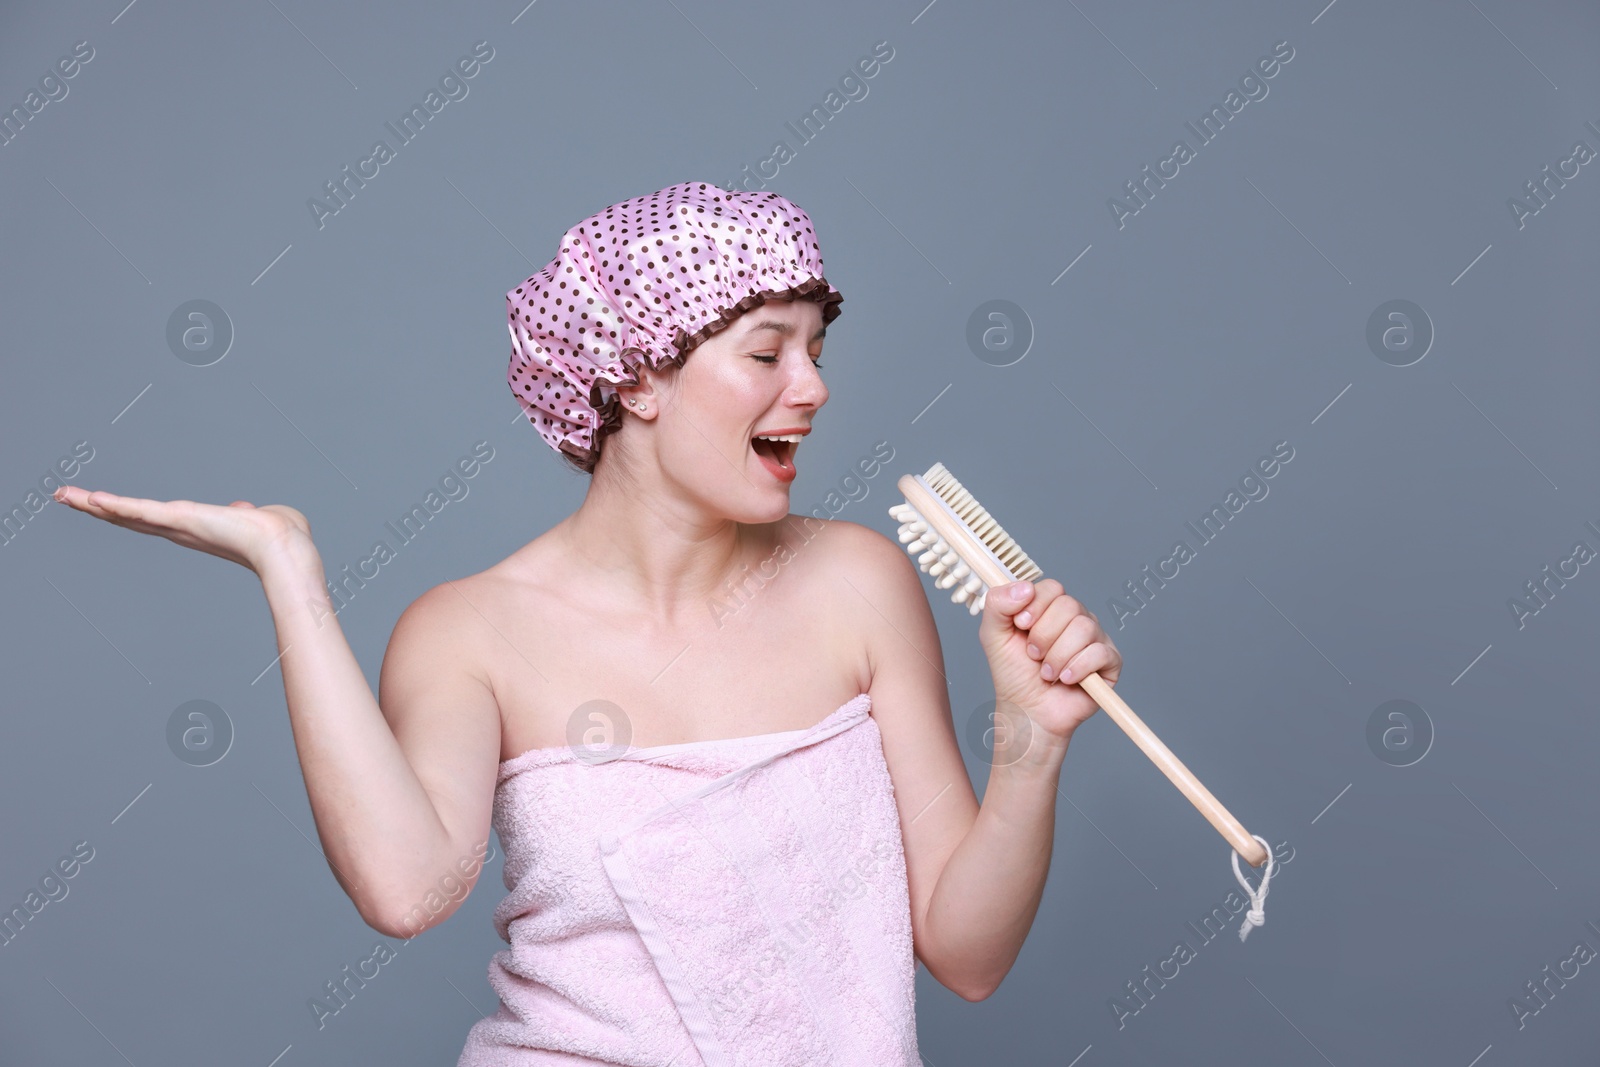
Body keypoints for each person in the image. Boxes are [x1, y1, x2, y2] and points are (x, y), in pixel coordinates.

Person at [52, 181, 1122, 1065]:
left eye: (816, 348)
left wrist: (1028, 742)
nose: (813, 387)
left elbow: (966, 955)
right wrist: (289, 572)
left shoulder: (859, 581)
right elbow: (403, 889)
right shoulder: (469, 631)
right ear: (639, 376)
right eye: (766, 353)